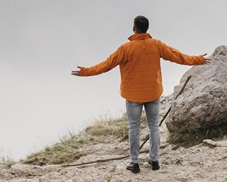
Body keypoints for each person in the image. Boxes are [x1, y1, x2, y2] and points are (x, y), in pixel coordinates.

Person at [71, 15, 209, 173]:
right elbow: (178, 56)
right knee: (154, 127)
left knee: (134, 128)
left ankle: (134, 162)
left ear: (133, 28)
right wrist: (198, 59)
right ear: (147, 28)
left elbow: (106, 65)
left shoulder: (125, 48)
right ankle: (154, 160)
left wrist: (86, 72)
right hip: (153, 93)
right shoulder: (156, 45)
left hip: (133, 96)